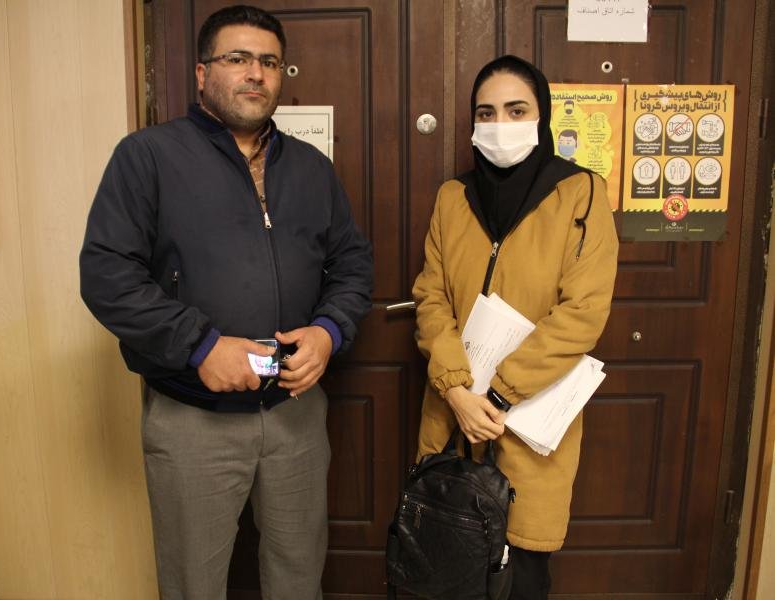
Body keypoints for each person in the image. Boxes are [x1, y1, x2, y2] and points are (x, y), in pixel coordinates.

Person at [79, 5, 373, 599]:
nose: (255, 73)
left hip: (295, 413)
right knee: (195, 583)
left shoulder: (312, 169)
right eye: (237, 58)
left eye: (269, 62)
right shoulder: (147, 157)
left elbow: (351, 265)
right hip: (193, 419)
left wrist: (329, 331)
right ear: (201, 72)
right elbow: (108, 275)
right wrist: (200, 346)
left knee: (298, 577)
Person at [412, 55, 618, 599]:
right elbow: (431, 297)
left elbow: (583, 312)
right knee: (446, 567)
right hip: (453, 415)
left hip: (526, 420)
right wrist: (457, 390)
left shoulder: (582, 193)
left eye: (516, 110)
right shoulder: (453, 197)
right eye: (487, 113)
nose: (500, 124)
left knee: (521, 573)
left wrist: (498, 395)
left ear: (541, 116)